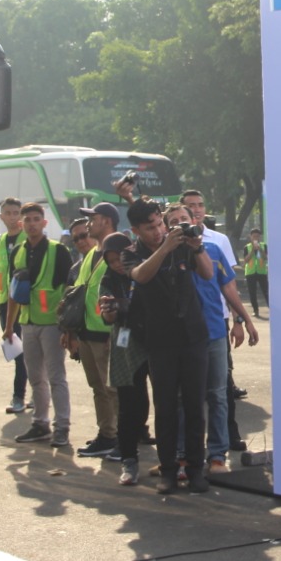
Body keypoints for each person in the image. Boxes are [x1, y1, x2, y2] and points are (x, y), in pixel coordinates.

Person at [120, 199, 213, 494]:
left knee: (195, 405)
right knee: (166, 408)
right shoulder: (131, 253)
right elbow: (141, 276)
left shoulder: (183, 243)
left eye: (160, 224)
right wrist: (164, 249)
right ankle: (169, 470)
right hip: (160, 341)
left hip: (193, 336)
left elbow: (208, 274)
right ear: (135, 230)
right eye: (150, 228)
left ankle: (197, 468)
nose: (159, 231)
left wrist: (196, 245)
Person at [185, 198, 257, 475]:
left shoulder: (216, 245)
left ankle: (219, 452)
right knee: (186, 397)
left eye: (198, 206)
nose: (195, 212)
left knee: (219, 392)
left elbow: (228, 288)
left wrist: (242, 320)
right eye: (187, 211)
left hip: (215, 328)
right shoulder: (166, 252)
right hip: (182, 335)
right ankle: (185, 455)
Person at [3, 202, 73, 447]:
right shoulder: (18, 252)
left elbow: (68, 290)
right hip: (27, 322)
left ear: (44, 223)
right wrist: (9, 326)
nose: (31, 224)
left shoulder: (59, 251)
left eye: (36, 219)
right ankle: (40, 423)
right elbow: (13, 291)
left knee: (56, 376)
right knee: (35, 378)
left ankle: (62, 427)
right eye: (27, 220)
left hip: (52, 323)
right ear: (21, 224)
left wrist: (67, 326)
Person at [66, 203, 121, 460]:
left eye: (93, 219)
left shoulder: (117, 249)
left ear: (107, 221)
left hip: (107, 332)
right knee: (98, 387)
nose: (88, 224)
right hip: (88, 331)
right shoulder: (91, 254)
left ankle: (123, 437)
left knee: (113, 389)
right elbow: (78, 290)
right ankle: (107, 434)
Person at [98, 232, 150, 486]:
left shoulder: (143, 268)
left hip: (154, 339)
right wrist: (110, 311)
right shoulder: (107, 280)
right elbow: (105, 317)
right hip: (126, 345)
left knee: (166, 399)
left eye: (119, 257)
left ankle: (174, 459)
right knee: (130, 404)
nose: (117, 263)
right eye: (111, 260)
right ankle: (129, 460)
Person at [0, 197, 30, 415]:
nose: (13, 217)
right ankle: (30, 391)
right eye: (8, 213)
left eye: (17, 213)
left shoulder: (28, 238)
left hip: (24, 302)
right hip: (4, 302)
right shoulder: (0, 241)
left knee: (24, 353)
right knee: (15, 349)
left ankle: (19, 396)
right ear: (1, 216)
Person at [243, 228, 270, 319]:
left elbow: (266, 258)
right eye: (254, 236)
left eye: (257, 236)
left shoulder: (264, 246)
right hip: (250, 272)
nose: (255, 238)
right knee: (252, 292)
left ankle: (271, 309)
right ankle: (255, 310)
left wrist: (260, 249)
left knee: (266, 291)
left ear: (260, 237)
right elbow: (246, 260)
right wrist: (252, 251)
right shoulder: (247, 247)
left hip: (261, 271)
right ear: (250, 237)